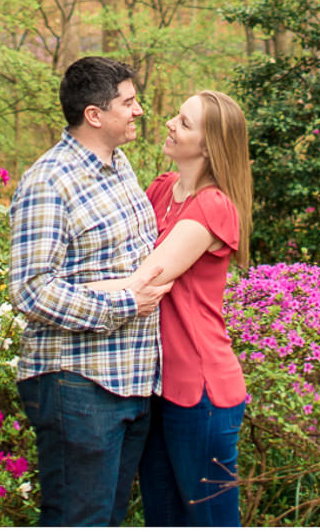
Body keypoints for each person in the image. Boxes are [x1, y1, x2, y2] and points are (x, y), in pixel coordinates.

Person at [8, 56, 160, 526]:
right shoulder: (48, 182)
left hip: (133, 381)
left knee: (108, 518)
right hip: (78, 384)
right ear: (95, 115)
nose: (139, 111)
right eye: (129, 103)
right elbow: (31, 289)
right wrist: (124, 301)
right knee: (79, 519)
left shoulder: (121, 166)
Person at [121, 90, 251, 526]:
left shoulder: (213, 207)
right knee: (163, 517)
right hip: (155, 385)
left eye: (185, 122)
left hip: (201, 391)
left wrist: (59, 290)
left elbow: (148, 277)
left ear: (209, 146)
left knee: (209, 522)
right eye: (176, 116)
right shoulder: (160, 188)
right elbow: (114, 252)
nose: (170, 124)